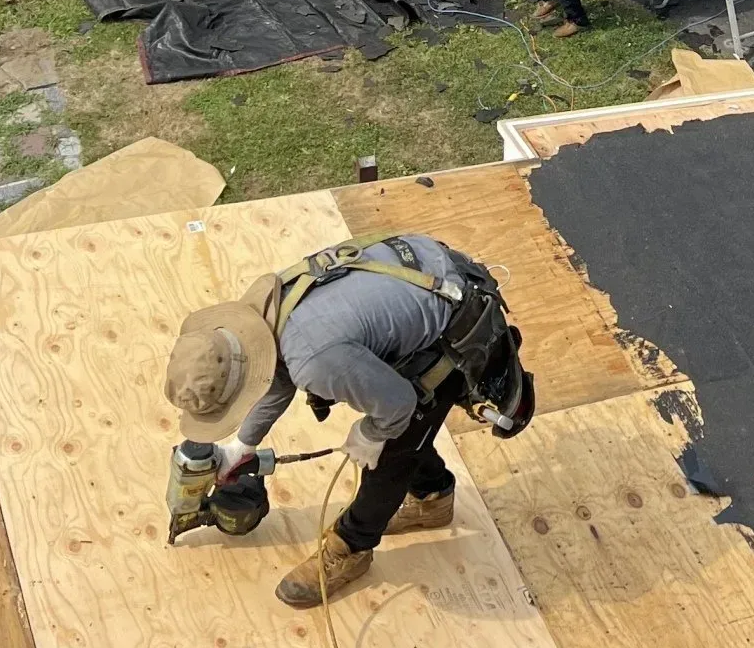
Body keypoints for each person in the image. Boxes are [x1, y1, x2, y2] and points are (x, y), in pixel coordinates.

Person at [164, 232, 534, 608]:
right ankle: (432, 497)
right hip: (431, 271)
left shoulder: (316, 360)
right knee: (397, 421)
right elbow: (275, 375)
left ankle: (351, 547)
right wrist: (241, 446)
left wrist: (370, 434)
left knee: (392, 447)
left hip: (457, 324)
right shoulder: (262, 313)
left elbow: (398, 405)